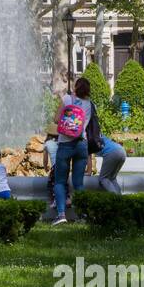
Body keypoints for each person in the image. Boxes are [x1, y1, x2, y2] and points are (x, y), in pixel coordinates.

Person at [52, 78, 96, 225]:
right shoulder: (90, 104)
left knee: (59, 181)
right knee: (79, 183)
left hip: (65, 144)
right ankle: (83, 215)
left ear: (76, 87)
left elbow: (56, 119)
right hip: (81, 145)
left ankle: (61, 215)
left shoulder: (67, 99)